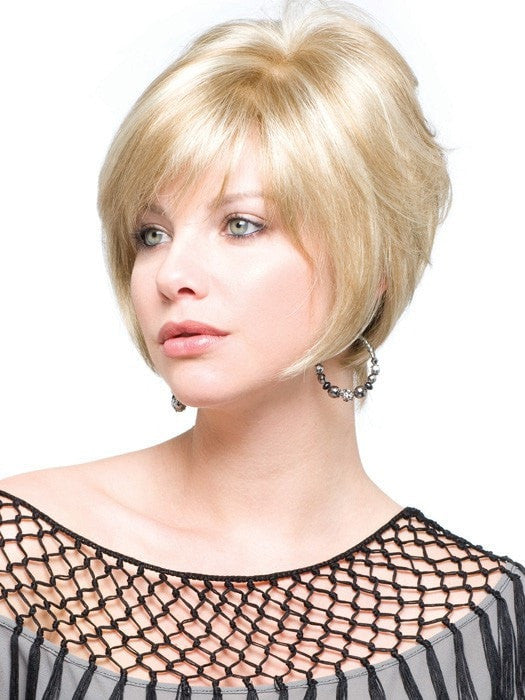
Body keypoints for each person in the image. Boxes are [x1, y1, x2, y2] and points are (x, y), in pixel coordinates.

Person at [0, 0, 523, 697]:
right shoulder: (23, 558)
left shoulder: (481, 618)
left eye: (241, 224)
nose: (171, 274)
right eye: (151, 234)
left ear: (370, 261)